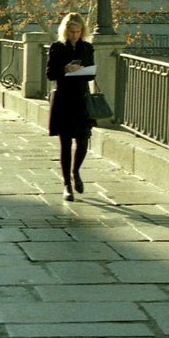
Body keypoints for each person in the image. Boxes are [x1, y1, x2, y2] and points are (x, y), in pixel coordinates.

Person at [46, 12, 96, 202]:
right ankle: (67, 184)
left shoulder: (87, 47)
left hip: (81, 98)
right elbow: (50, 74)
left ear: (82, 31)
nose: (74, 35)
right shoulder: (57, 48)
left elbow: (92, 74)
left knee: (83, 140)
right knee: (65, 143)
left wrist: (82, 71)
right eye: (71, 31)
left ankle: (76, 172)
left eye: (78, 31)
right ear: (65, 31)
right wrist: (66, 69)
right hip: (63, 99)